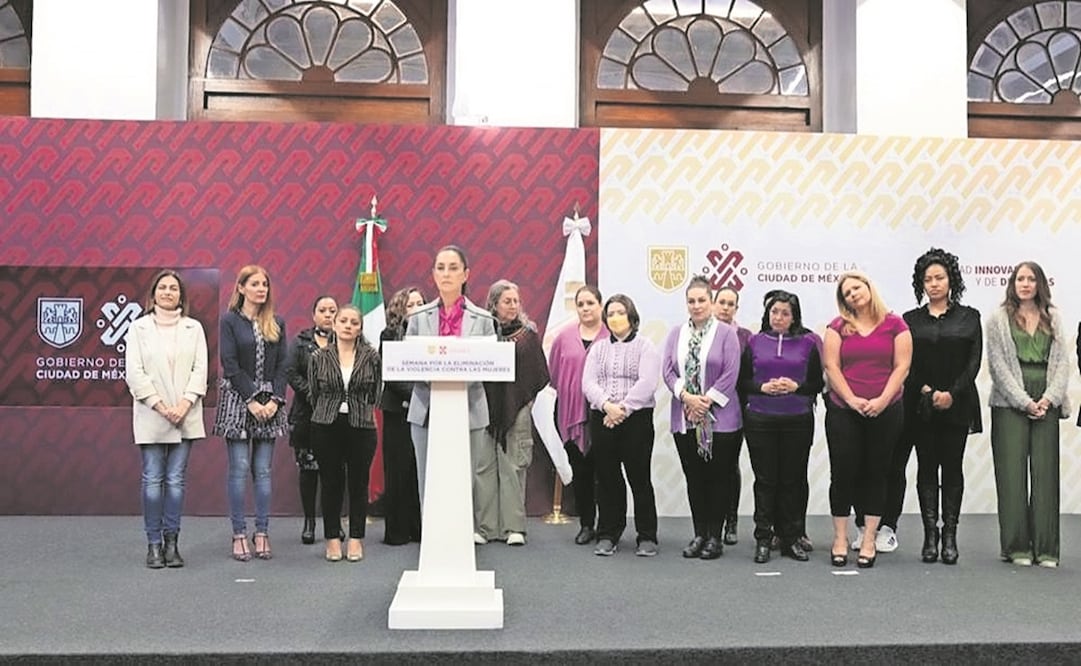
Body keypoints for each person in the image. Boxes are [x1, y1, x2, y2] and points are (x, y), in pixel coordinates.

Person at [405, 245, 497, 543]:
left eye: (453, 267)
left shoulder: (482, 318)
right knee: (428, 480)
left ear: (465, 274)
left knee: (463, 480)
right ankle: (432, 539)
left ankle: (459, 539)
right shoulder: (418, 317)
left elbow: (489, 364)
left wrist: (456, 378)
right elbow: (410, 361)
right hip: (426, 408)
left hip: (469, 408)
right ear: (433, 274)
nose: (446, 273)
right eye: (440, 267)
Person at [823, 271, 911, 568]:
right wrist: (851, 400)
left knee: (877, 472)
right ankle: (840, 538)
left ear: (869, 287)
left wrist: (882, 401)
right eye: (846, 293)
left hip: (886, 410)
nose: (853, 295)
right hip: (844, 410)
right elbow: (831, 367)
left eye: (856, 288)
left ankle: (870, 538)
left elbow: (902, 367)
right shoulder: (837, 327)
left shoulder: (896, 324)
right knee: (843, 473)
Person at [900, 249, 982, 565]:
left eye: (939, 278)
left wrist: (951, 392)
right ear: (921, 284)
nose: (934, 284)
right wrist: (928, 391)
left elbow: (974, 362)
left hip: (958, 404)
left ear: (951, 280)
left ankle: (950, 537)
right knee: (925, 469)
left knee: (952, 468)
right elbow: (905, 363)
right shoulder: (910, 320)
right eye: (928, 279)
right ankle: (929, 537)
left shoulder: (969, 316)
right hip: (922, 405)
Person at [987, 261, 1070, 568]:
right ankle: (1016, 546)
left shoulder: (1055, 317)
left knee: (1046, 474)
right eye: (1020, 278)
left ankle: (1047, 549)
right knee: (1011, 475)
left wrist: (1048, 399)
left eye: (1030, 279)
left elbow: (1063, 363)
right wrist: (1025, 402)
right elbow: (998, 367)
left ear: (1039, 284)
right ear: (1012, 283)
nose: (1025, 283)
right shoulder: (997, 319)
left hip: (1047, 397)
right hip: (1010, 402)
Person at [124, 270, 209, 569]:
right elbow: (134, 373)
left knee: (175, 482)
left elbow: (201, 371)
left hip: (185, 416)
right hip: (152, 415)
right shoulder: (138, 328)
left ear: (181, 296)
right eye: (163, 287)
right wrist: (161, 407)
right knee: (152, 481)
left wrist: (184, 404)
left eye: (174, 288)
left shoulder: (193, 328)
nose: (168, 292)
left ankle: (172, 544)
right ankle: (153, 545)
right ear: (154, 294)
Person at [738, 290, 823, 564]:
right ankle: (763, 538)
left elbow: (817, 384)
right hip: (761, 419)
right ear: (767, 313)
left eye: (785, 313)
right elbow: (742, 382)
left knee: (791, 481)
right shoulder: (754, 341)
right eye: (774, 312)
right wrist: (762, 387)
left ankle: (791, 538)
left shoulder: (808, 343)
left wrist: (797, 386)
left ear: (794, 316)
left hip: (797, 420)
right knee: (766, 481)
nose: (779, 317)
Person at [662, 277, 742, 560]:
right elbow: (668, 372)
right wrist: (687, 398)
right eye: (691, 301)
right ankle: (699, 534)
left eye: (701, 300)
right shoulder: (676, 334)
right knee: (695, 478)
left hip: (721, 420)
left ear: (711, 301)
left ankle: (714, 537)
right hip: (684, 418)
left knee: (718, 479)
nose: (696, 306)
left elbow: (731, 373)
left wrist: (704, 402)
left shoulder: (726, 333)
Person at [213, 265, 288, 562]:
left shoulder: (277, 322)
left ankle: (262, 532)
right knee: (239, 468)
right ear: (241, 288)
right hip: (238, 399)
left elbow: (283, 365)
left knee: (264, 471)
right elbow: (229, 363)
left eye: (265, 284)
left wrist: (275, 400)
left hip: (270, 402)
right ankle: (239, 534)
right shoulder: (230, 321)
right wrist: (251, 399)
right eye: (255, 284)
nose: (261, 289)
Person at [582, 294, 661, 557]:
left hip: (636, 419)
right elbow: (588, 382)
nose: (615, 317)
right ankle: (608, 533)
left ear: (631, 316)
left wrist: (623, 409)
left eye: (620, 312)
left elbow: (648, 382)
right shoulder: (598, 348)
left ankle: (647, 536)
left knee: (639, 477)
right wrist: (607, 406)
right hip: (603, 417)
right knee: (607, 478)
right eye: (611, 313)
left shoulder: (646, 346)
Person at [307, 304, 381, 562]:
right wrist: (330, 409)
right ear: (335, 325)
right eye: (344, 321)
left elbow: (377, 391)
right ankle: (332, 539)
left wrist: (359, 408)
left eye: (354, 322)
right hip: (326, 425)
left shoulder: (371, 356)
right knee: (331, 483)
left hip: (361, 425)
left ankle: (356, 539)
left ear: (360, 328)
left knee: (359, 484)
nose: (349, 326)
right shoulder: (319, 357)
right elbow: (314, 392)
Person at [480, 280, 550, 545]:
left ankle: (514, 528)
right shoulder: (483, 334)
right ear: (494, 304)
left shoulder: (528, 335)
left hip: (518, 409)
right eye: (506, 301)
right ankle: (486, 527)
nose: (512, 305)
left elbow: (538, 374)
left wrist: (526, 402)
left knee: (514, 467)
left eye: (515, 301)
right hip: (484, 407)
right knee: (484, 467)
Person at [548, 285, 608, 545]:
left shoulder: (611, 336)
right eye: (581, 304)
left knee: (605, 473)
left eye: (590, 303)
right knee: (581, 472)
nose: (585, 308)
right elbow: (553, 373)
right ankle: (586, 524)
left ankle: (607, 526)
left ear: (600, 305)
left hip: (603, 415)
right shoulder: (563, 337)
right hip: (569, 413)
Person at [286, 295, 338, 545]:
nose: (328, 315)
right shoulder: (300, 342)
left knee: (334, 472)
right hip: (306, 415)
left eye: (332, 310)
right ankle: (309, 522)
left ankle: (333, 523)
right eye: (323, 310)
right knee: (308, 471)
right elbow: (290, 372)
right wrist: (311, 393)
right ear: (314, 314)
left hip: (338, 415)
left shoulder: (347, 340)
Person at [379, 287, 425, 546]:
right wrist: (415, 396)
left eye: (421, 303)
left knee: (419, 469)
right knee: (398, 469)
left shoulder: (432, 335)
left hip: (426, 410)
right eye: (412, 304)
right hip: (398, 409)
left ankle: (419, 529)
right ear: (401, 308)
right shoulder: (390, 335)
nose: (417, 308)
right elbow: (392, 372)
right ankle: (396, 531)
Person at [712, 286, 751, 546]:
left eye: (731, 304)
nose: (726, 307)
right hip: (702, 408)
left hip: (735, 407)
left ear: (736, 308)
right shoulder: (702, 333)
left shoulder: (746, 336)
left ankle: (731, 521)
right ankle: (709, 522)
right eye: (722, 302)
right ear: (713, 304)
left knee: (729, 467)